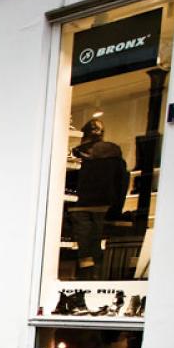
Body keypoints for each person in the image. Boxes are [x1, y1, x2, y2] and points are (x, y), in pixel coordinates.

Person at [69, 118, 129, 279]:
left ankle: (84, 280)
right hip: (104, 206)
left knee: (84, 249)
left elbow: (68, 181)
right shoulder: (115, 157)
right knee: (96, 245)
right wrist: (116, 209)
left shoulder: (77, 154)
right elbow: (122, 183)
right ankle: (95, 279)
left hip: (79, 206)